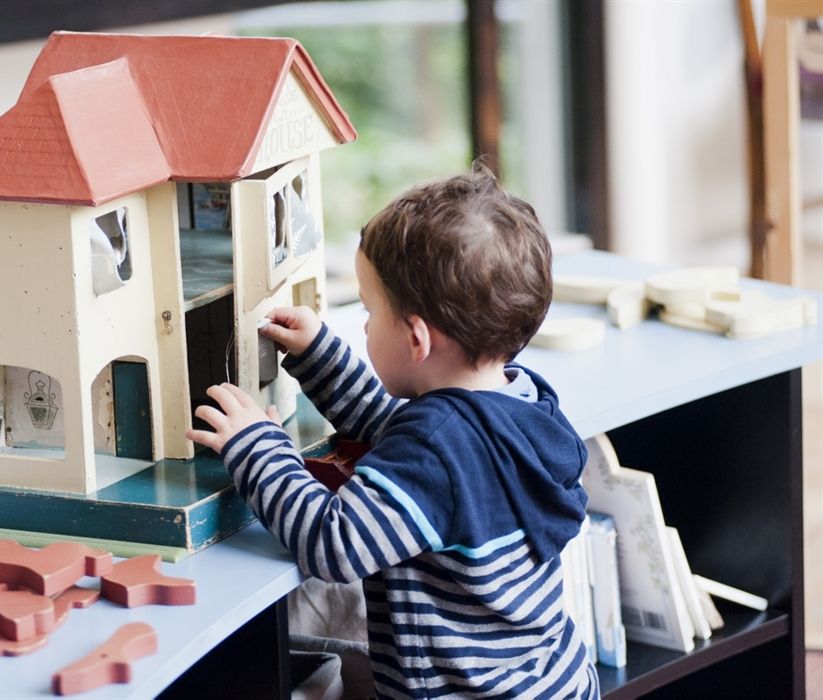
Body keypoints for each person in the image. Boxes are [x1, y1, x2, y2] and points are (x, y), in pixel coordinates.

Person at [187, 165, 599, 698]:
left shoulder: (437, 447)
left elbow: (334, 543)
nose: (362, 325)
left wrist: (256, 448)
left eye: (369, 310)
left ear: (417, 339)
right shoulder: (519, 406)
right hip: (554, 680)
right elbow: (398, 433)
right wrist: (321, 358)